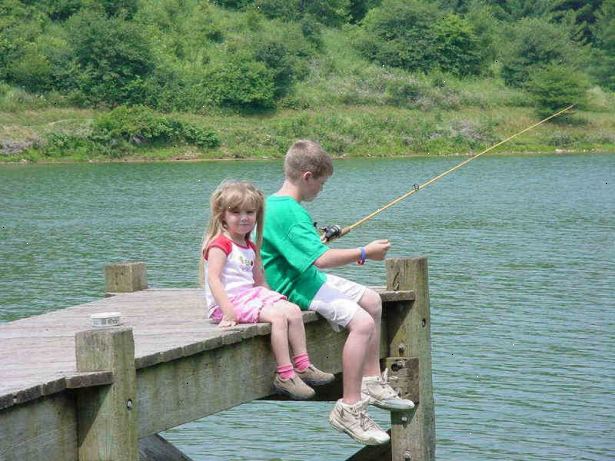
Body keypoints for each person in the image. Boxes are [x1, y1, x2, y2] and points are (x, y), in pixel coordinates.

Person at [261, 140, 414, 446]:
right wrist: (364, 252)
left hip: (307, 276)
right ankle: (349, 406)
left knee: (372, 299)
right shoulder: (289, 213)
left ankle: (372, 382)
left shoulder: (278, 205)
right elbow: (320, 258)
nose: (322, 189)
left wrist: (345, 250)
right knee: (362, 324)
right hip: (295, 287)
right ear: (307, 176)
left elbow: (306, 251)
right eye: (321, 182)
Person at [202, 180, 334, 400]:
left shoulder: (250, 246)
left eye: (250, 212)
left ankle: (303, 365)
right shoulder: (220, 244)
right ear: (222, 215)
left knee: (291, 310)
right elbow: (213, 279)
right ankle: (285, 374)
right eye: (236, 212)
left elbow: (258, 281)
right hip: (228, 303)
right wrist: (228, 312)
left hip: (248, 297)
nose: (244, 218)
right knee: (278, 318)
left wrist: (274, 298)